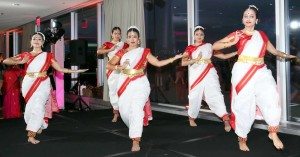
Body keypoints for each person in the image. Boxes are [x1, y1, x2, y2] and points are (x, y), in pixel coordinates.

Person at [212, 5, 296, 151]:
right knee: (243, 105)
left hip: (261, 71)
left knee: (271, 97)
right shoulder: (237, 34)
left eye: (251, 16)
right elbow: (215, 46)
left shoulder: (262, 35)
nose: (248, 18)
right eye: (246, 16)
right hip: (243, 72)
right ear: (242, 19)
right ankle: (242, 137)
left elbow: (274, 51)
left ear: (256, 20)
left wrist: (288, 56)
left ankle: (273, 132)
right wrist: (231, 42)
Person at [3, 32, 87, 144]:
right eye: (34, 38)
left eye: (39, 39)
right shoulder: (26, 55)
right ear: (31, 42)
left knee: (38, 106)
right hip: (29, 83)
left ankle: (31, 134)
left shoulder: (48, 55)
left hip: (43, 83)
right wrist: (19, 60)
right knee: (29, 110)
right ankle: (41, 123)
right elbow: (5, 61)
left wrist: (76, 71)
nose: (36, 40)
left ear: (42, 43)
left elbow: (60, 69)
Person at [107, 26, 182, 152]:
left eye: (134, 37)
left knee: (136, 109)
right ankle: (135, 127)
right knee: (124, 111)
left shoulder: (144, 52)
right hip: (124, 83)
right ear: (127, 39)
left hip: (140, 84)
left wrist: (173, 59)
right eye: (130, 36)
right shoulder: (122, 52)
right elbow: (109, 64)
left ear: (139, 39)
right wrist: (118, 68)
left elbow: (157, 63)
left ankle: (136, 139)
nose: (132, 39)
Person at [181, 26, 237, 132]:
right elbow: (183, 62)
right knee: (194, 96)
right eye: (197, 34)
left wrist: (236, 53)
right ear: (194, 36)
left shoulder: (208, 46)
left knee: (216, 94)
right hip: (196, 74)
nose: (199, 36)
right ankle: (191, 117)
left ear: (204, 36)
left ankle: (225, 118)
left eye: (201, 34)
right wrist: (196, 59)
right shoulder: (189, 48)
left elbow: (223, 57)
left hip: (209, 73)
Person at [97, 27, 129, 122]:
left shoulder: (124, 44)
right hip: (112, 70)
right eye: (115, 33)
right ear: (111, 34)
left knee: (124, 90)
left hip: (123, 69)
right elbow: (99, 51)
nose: (117, 35)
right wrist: (110, 49)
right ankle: (116, 114)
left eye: (119, 33)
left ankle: (125, 112)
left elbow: (132, 49)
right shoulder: (108, 44)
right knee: (113, 92)